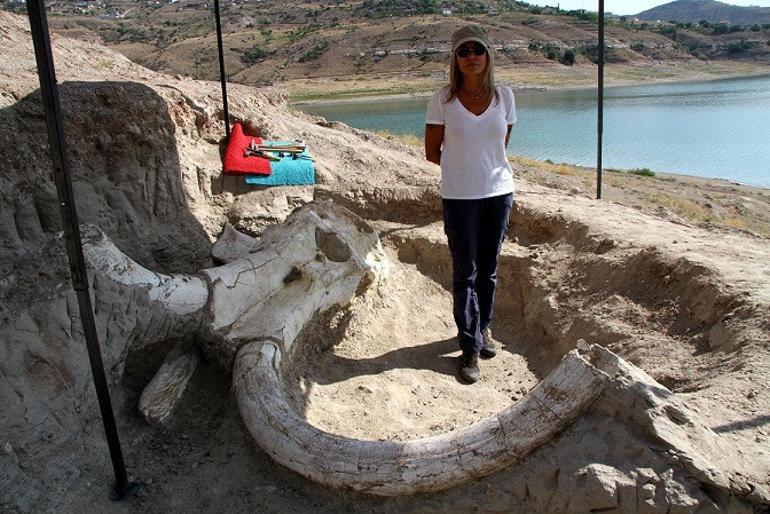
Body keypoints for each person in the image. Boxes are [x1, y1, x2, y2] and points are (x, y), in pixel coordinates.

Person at [424, 25, 516, 384]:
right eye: (464, 51)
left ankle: (483, 329)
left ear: (488, 55)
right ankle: (469, 346)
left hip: (498, 194)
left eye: (477, 50)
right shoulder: (442, 100)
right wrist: (463, 169)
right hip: (460, 197)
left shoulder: (505, 96)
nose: (471, 57)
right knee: (466, 271)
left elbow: (501, 145)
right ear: (455, 59)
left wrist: (484, 169)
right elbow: (433, 153)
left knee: (489, 269)